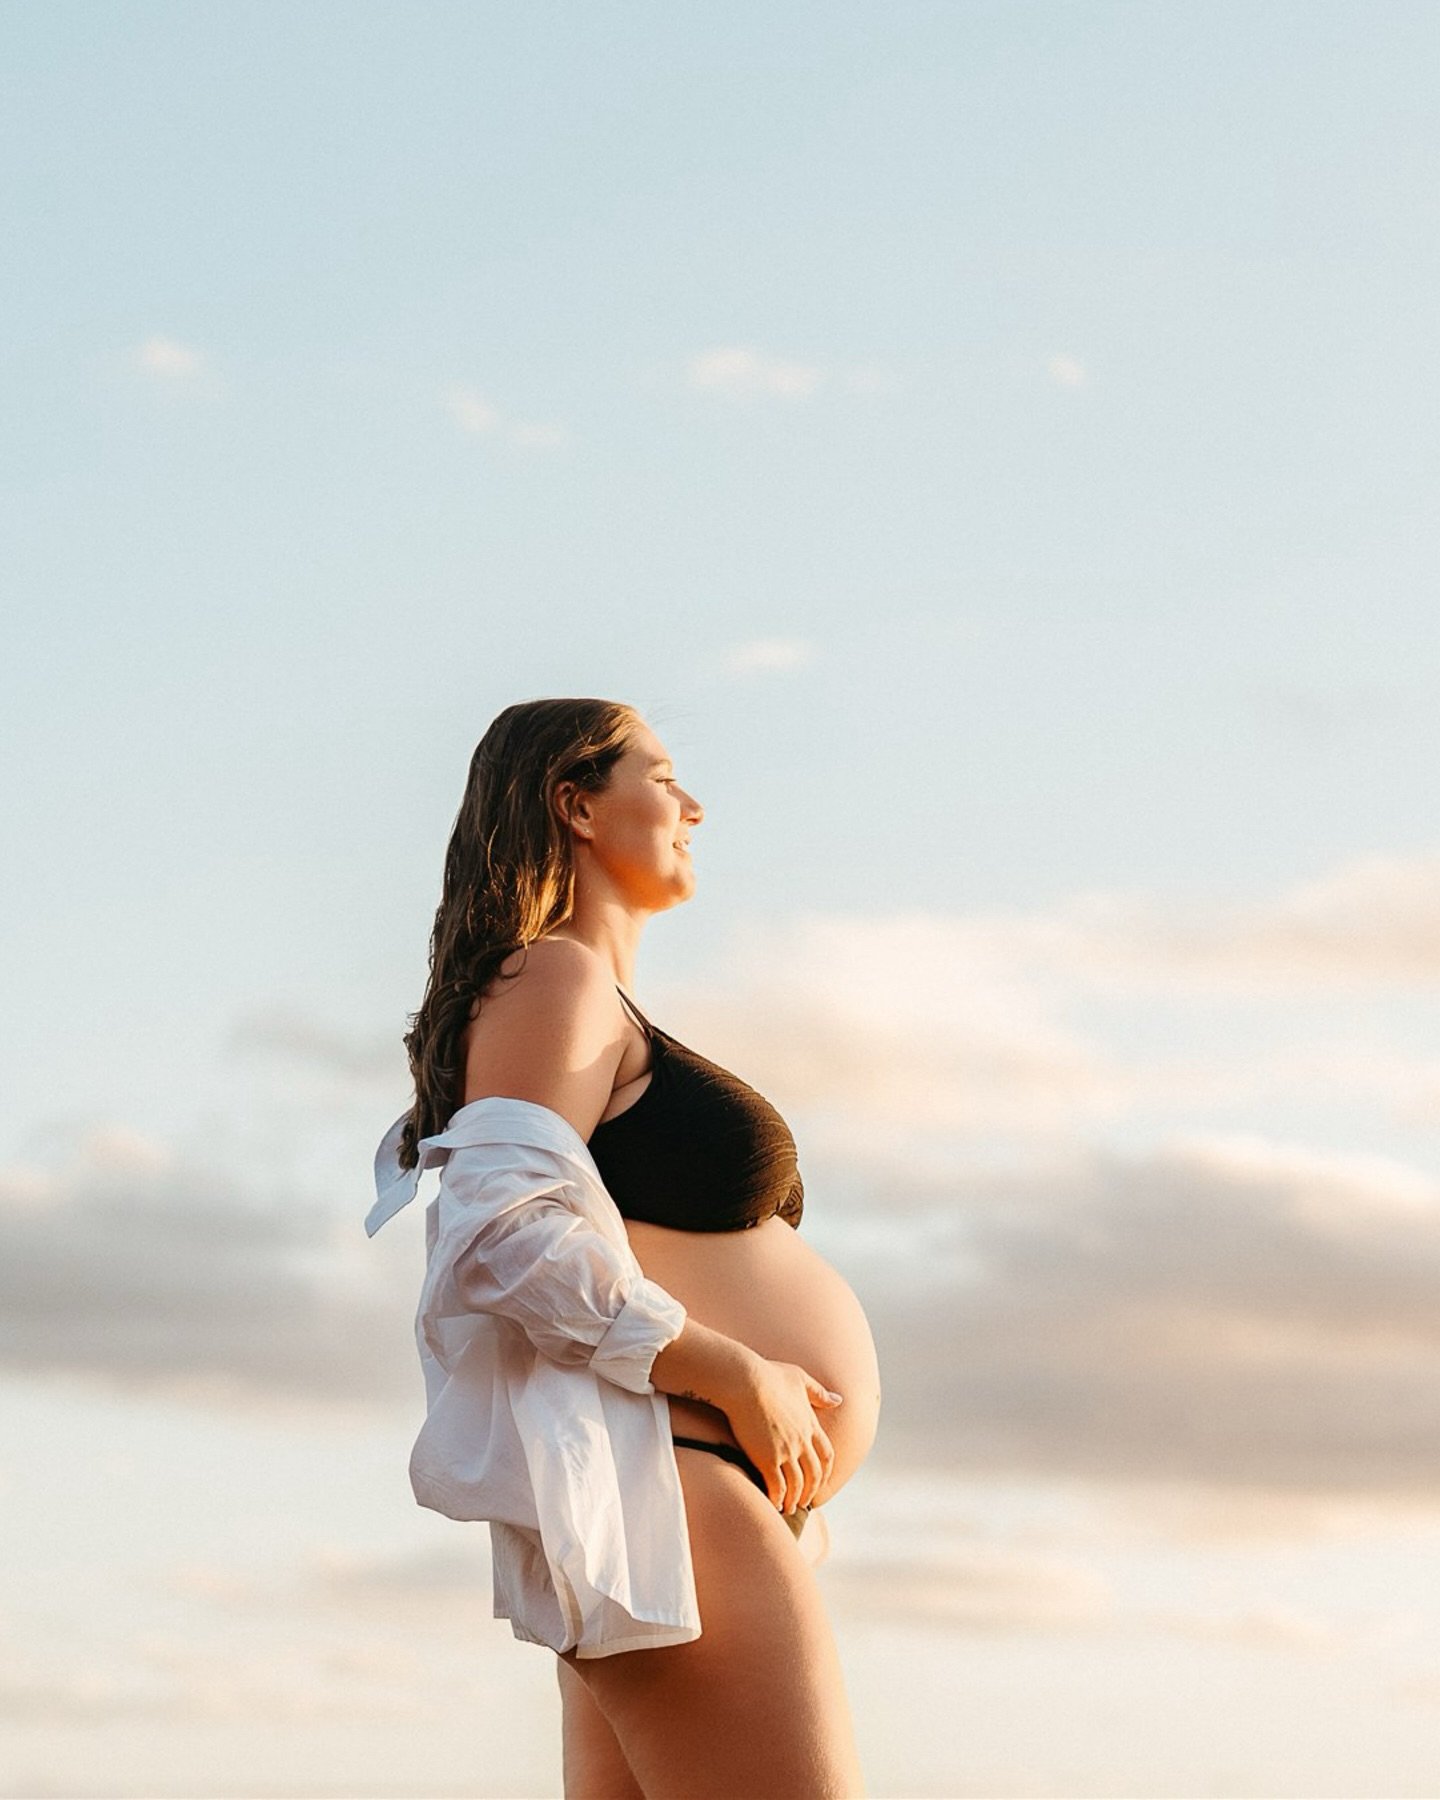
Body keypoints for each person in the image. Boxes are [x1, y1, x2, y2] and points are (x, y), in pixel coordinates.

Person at [375, 697, 881, 1799]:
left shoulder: (585, 998)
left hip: (693, 1501)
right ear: (576, 803)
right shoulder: (554, 979)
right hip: (679, 1494)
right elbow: (498, 1238)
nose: (693, 806)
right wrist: (729, 1367)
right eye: (661, 778)